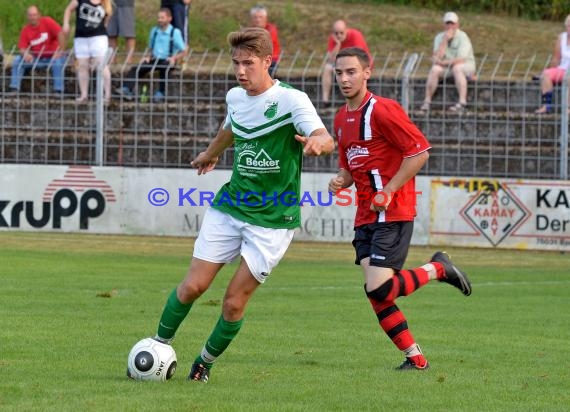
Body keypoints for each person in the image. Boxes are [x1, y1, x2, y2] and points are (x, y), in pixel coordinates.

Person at [151, 27, 334, 383]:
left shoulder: (292, 100)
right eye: (236, 63)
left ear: (268, 61)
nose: (240, 71)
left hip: (273, 219)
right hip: (231, 206)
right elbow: (230, 129)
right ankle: (156, 347)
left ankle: (203, 363)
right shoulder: (235, 96)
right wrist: (210, 153)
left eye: (248, 63)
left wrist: (318, 144)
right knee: (192, 287)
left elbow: (323, 136)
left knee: (234, 302)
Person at [329, 47, 472, 370]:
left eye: (351, 71)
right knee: (376, 294)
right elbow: (350, 168)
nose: (344, 78)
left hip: (392, 212)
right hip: (364, 215)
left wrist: (390, 190)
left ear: (367, 72)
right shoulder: (341, 118)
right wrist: (340, 179)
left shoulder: (383, 110)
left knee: (380, 287)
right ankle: (415, 358)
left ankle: (438, 268)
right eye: (339, 73)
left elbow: (419, 152)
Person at [115, 8, 186, 103]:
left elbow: (184, 50)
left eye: (162, 18)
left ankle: (161, 93)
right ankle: (126, 88)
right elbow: (151, 47)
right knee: (137, 68)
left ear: (169, 19)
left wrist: (174, 58)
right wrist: (148, 56)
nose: (160, 20)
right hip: (155, 59)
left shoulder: (174, 32)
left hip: (168, 59)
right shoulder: (155, 31)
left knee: (164, 69)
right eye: (158, 17)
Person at [420, 12, 476, 113]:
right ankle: (427, 102)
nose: (450, 26)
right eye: (447, 23)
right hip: (447, 67)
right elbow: (437, 56)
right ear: (444, 25)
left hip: (465, 66)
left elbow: (461, 59)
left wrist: (442, 63)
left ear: (457, 24)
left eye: (452, 23)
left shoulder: (463, 37)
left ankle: (462, 103)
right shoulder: (439, 37)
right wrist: (445, 40)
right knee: (434, 70)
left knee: (457, 68)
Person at [8, 5, 66, 95]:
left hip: (52, 56)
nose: (32, 17)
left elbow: (60, 33)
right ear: (27, 16)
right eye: (30, 15)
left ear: (39, 15)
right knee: (18, 60)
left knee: (57, 62)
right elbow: (22, 48)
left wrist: (61, 50)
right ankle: (14, 88)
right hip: (37, 58)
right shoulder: (25, 30)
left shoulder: (47, 21)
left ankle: (58, 90)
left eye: (34, 15)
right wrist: (26, 54)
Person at [63, 0, 113, 103]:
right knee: (82, 66)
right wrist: (66, 23)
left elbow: (107, 19)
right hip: (81, 37)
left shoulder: (105, 3)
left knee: (101, 64)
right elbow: (69, 9)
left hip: (98, 37)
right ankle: (84, 94)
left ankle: (107, 94)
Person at [321, 20, 370, 107]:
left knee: (349, 72)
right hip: (342, 64)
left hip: (359, 64)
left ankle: (354, 101)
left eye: (341, 33)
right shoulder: (334, 39)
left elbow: (358, 57)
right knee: (327, 68)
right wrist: (338, 44)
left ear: (346, 30)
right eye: (336, 33)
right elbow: (330, 60)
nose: (339, 35)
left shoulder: (355, 35)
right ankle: (325, 101)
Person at [535, 14, 570, 114]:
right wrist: (551, 69)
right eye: (568, 25)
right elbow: (556, 58)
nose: (569, 28)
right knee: (546, 74)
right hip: (562, 69)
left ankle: (568, 108)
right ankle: (546, 106)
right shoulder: (561, 38)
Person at [249, 4, 281, 76]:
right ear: (251, 19)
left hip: (269, 61)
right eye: (255, 17)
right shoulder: (249, 30)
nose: (258, 20)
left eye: (260, 17)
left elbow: (263, 42)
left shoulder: (271, 29)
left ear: (265, 18)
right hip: (253, 60)